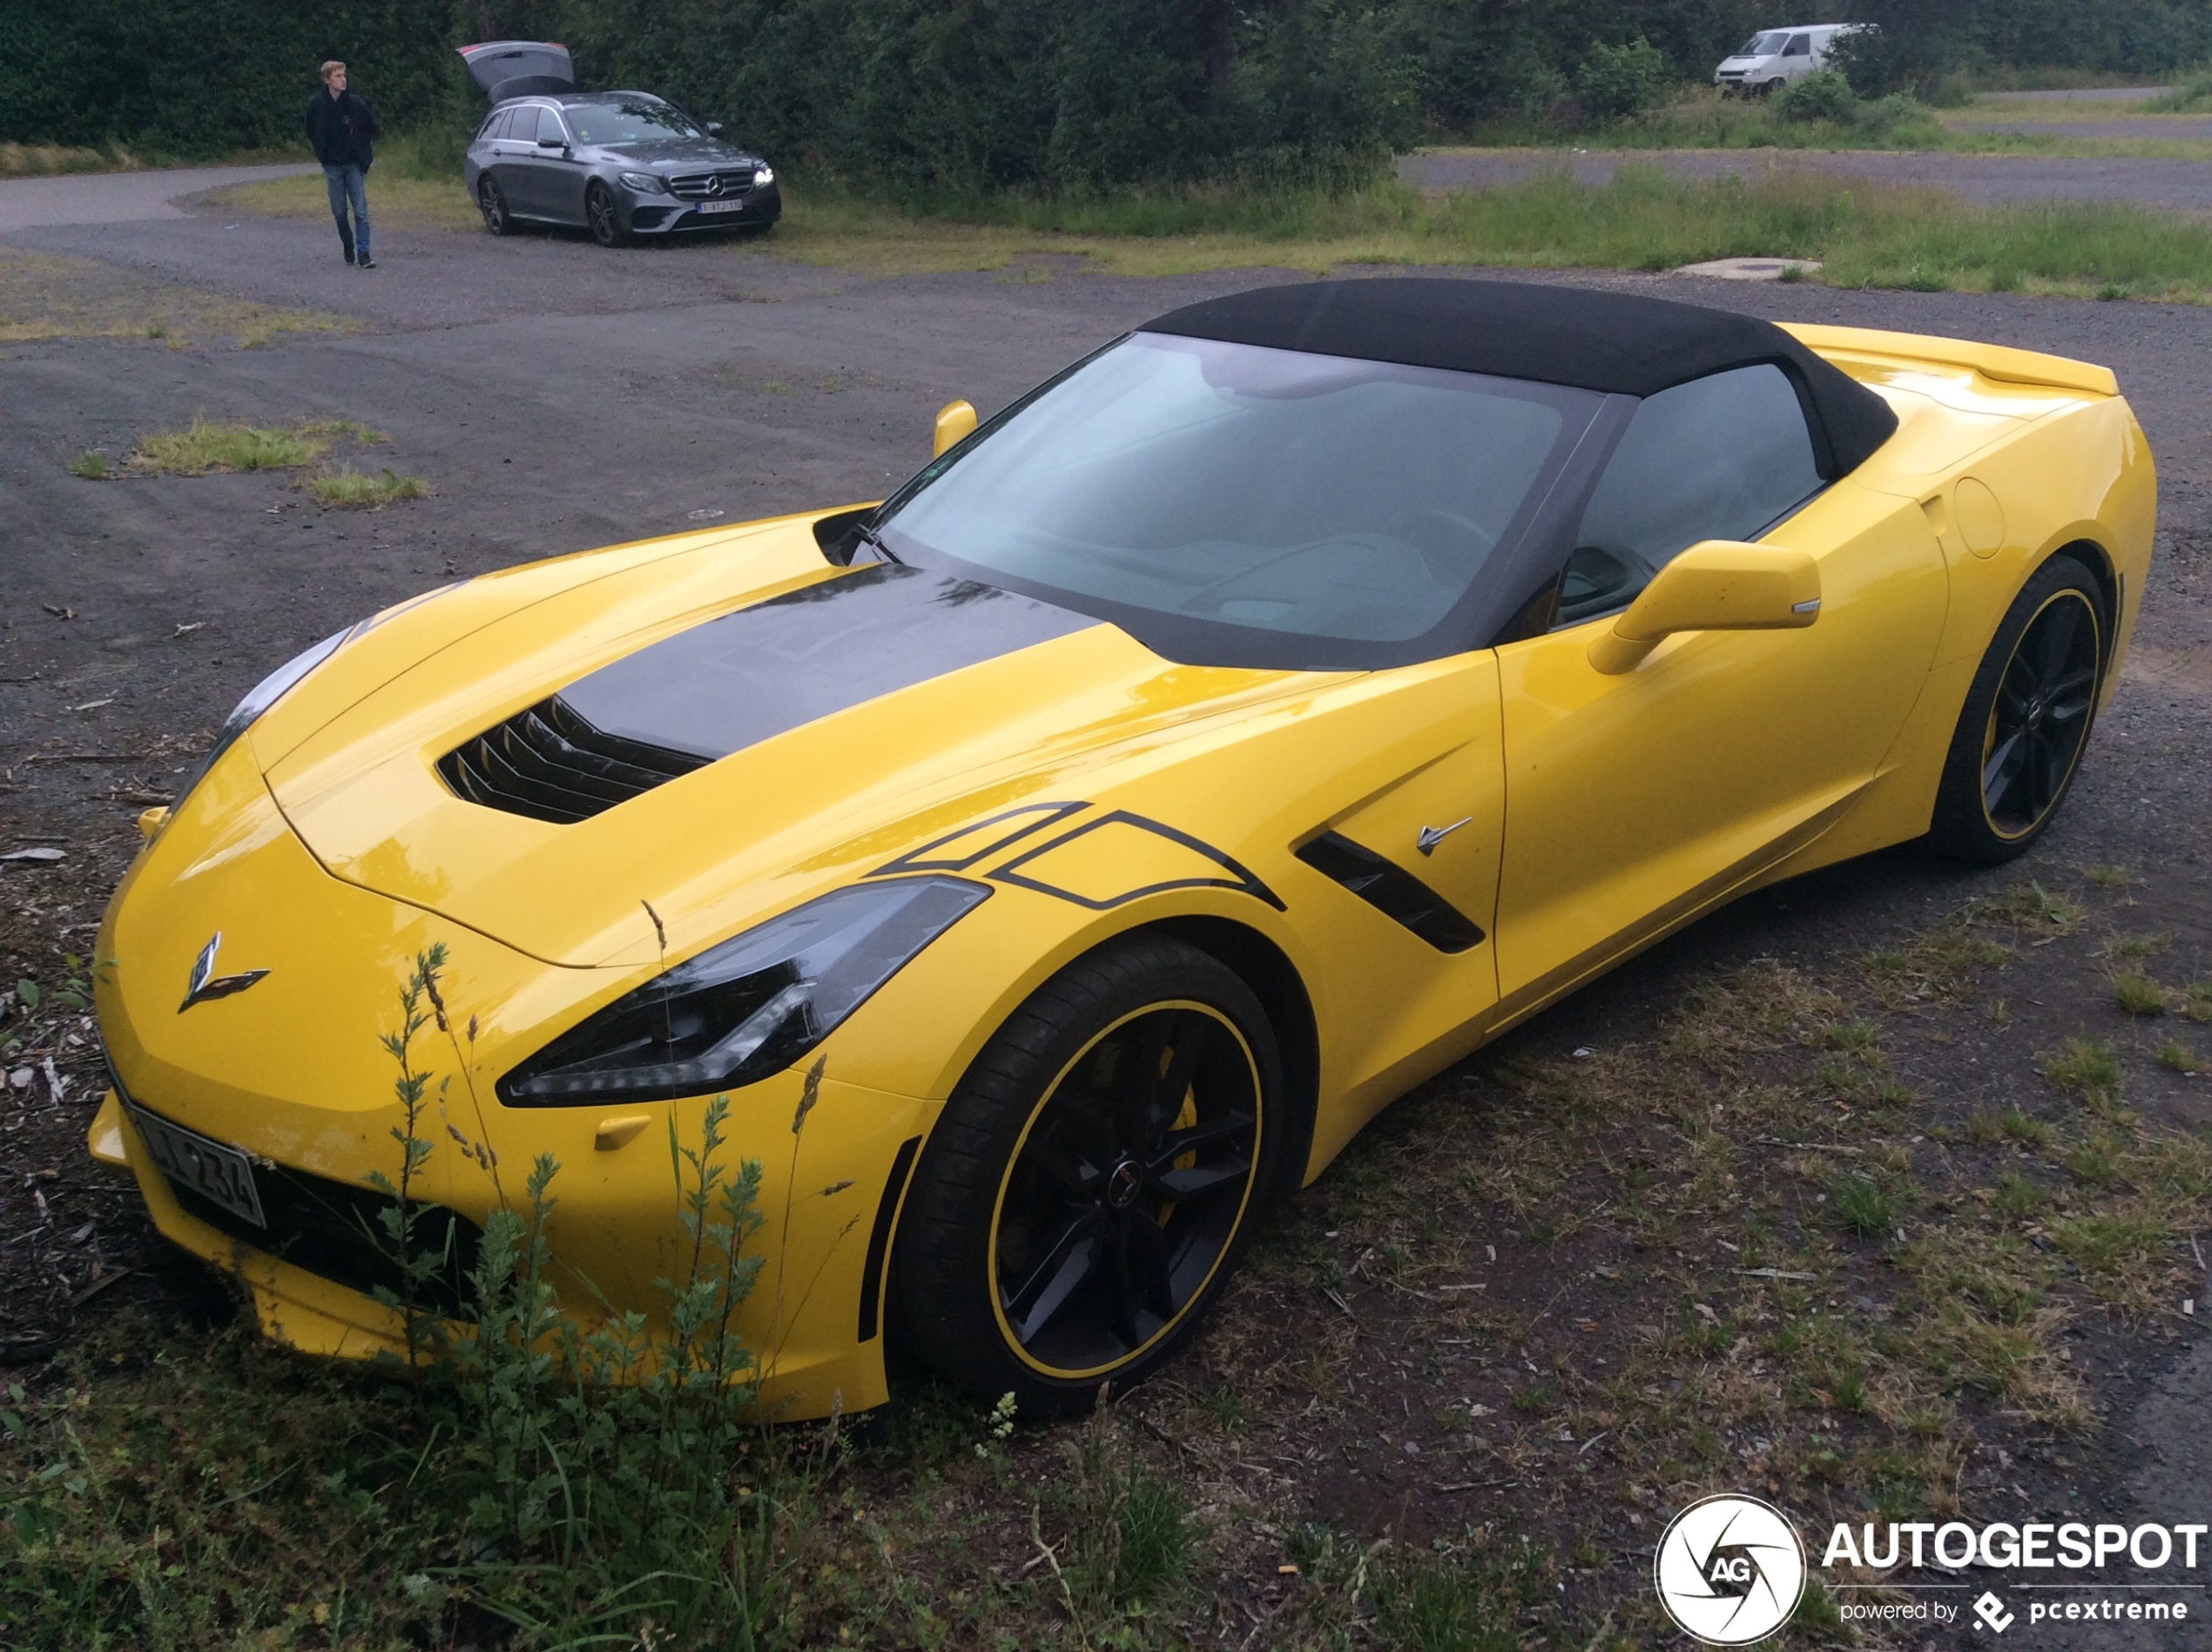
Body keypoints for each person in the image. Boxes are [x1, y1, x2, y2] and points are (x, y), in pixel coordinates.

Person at [304, 61, 379, 269]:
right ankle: (347, 244)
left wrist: (361, 147)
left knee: (361, 211)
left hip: (353, 164)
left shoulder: (355, 104)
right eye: (337, 76)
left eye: (343, 75)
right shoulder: (317, 104)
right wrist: (321, 152)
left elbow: (373, 127)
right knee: (339, 211)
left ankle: (364, 252)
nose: (342, 79)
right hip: (332, 166)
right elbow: (310, 128)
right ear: (327, 80)